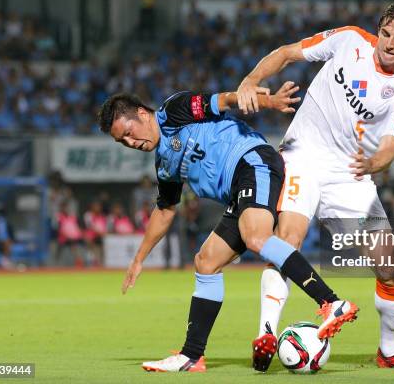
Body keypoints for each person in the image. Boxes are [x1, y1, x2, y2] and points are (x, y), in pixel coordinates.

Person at [97, 82, 359, 373]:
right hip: (238, 190)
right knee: (206, 261)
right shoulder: (165, 164)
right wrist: (138, 259)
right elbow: (165, 210)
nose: (131, 143)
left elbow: (223, 101)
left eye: (129, 133)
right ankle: (192, 356)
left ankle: (332, 302)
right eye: (123, 142)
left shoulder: (172, 111)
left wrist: (269, 101)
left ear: (142, 114)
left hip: (252, 161)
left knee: (257, 237)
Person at [237, 0, 394, 369]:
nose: (389, 44)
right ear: (378, 30)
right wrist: (251, 80)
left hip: (351, 174)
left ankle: (389, 351)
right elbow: (286, 54)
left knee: (390, 270)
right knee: (288, 240)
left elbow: (391, 145)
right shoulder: (348, 40)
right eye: (386, 33)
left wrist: (375, 162)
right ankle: (265, 333)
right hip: (303, 156)